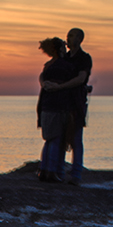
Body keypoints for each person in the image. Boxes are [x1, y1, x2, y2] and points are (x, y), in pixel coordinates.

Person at [39, 28, 92, 185]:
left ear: (80, 39)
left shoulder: (84, 58)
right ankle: (59, 172)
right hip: (61, 104)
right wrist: (44, 83)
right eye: (68, 35)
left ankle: (76, 175)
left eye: (72, 36)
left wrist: (59, 87)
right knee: (60, 139)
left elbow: (81, 79)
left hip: (75, 103)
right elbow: (46, 70)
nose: (68, 38)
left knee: (75, 139)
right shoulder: (65, 57)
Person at [37, 37, 75, 182]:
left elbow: (44, 82)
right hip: (58, 107)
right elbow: (70, 83)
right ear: (59, 49)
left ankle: (44, 170)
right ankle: (51, 171)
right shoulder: (63, 66)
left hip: (46, 107)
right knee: (56, 139)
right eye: (63, 48)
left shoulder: (47, 67)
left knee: (49, 140)